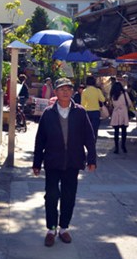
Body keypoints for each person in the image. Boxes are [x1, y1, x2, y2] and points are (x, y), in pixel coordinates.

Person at [32, 78, 97, 247]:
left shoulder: (80, 112)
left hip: (73, 162)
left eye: (68, 89)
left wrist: (92, 158)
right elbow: (40, 140)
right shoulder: (48, 113)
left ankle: (64, 228)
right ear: (56, 92)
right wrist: (37, 163)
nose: (65, 92)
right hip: (53, 161)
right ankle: (51, 229)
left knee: (69, 196)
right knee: (51, 196)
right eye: (62, 89)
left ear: (73, 92)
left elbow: (89, 137)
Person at [108, 81, 132, 153]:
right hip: (124, 113)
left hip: (116, 113)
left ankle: (116, 148)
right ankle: (123, 146)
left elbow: (111, 105)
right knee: (124, 131)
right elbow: (129, 103)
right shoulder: (125, 94)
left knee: (116, 131)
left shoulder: (112, 95)